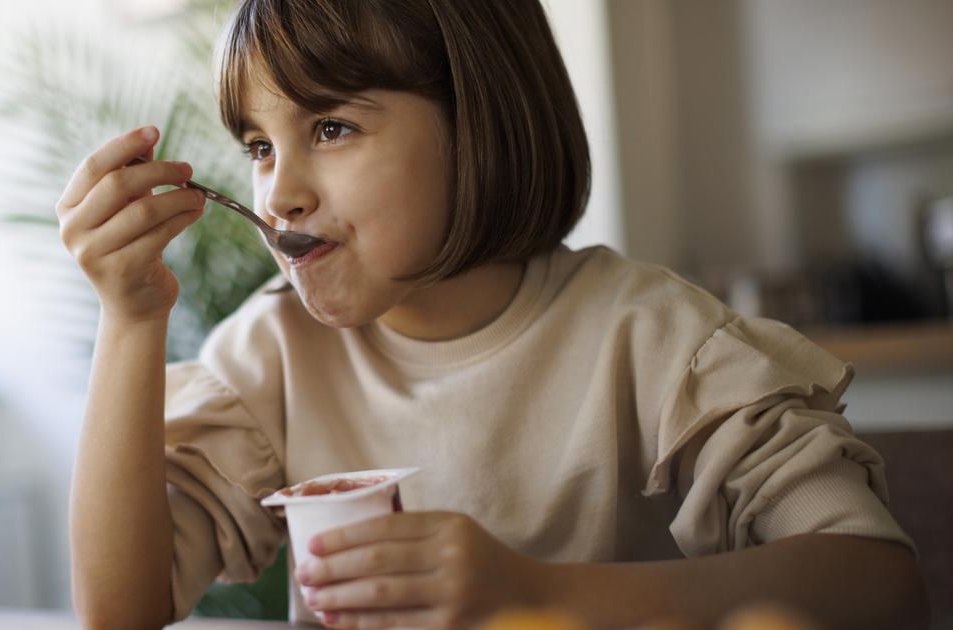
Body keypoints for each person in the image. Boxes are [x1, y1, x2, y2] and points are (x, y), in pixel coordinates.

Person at [59, 1, 928, 628]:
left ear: (477, 123)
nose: (278, 191)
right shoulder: (272, 352)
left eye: (330, 128)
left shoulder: (655, 342)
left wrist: (535, 593)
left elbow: (880, 585)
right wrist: (130, 321)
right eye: (258, 146)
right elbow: (121, 608)